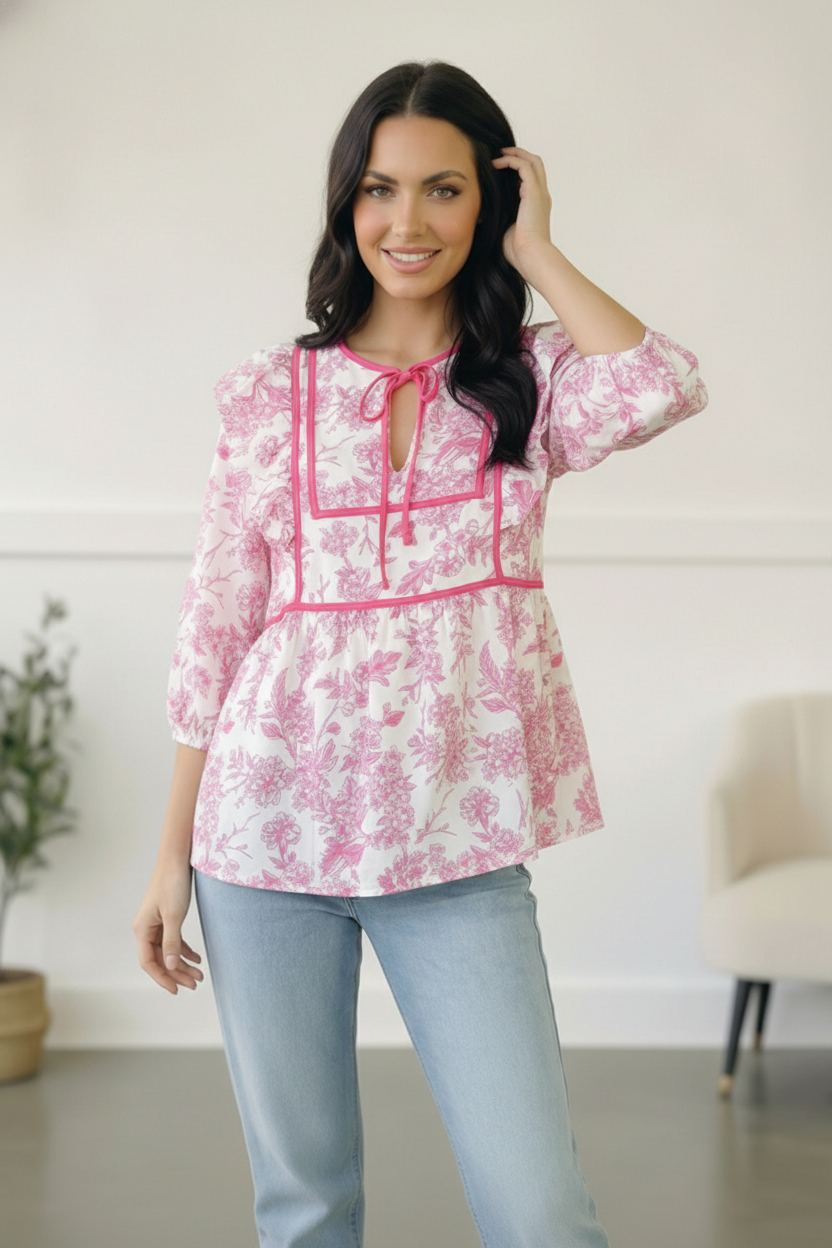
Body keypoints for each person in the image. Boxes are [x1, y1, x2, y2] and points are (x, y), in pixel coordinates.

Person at [134, 60, 707, 1248]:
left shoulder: (530, 383)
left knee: (540, 1212)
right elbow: (217, 625)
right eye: (380, 189)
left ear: (488, 201)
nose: (408, 222)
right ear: (346, 202)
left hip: (457, 844)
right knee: (305, 1209)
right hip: (263, 841)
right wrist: (169, 855)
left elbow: (664, 385)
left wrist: (539, 247)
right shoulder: (269, 394)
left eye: (445, 189)